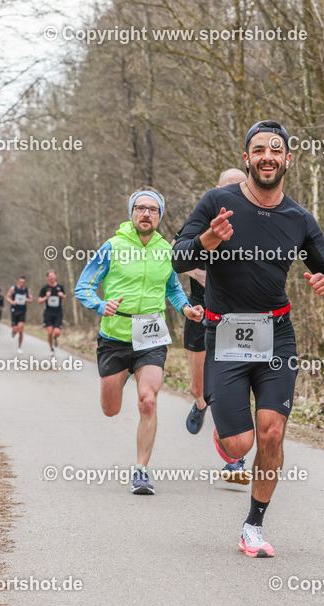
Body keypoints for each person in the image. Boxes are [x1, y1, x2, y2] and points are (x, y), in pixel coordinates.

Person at [173, 121, 324, 557]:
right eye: (259, 149)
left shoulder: (298, 218)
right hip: (225, 331)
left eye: (276, 149)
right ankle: (223, 427)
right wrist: (208, 239)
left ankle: (253, 526)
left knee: (271, 433)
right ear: (247, 159)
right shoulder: (218, 202)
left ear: (288, 160)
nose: (268, 155)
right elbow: (178, 256)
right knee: (239, 444)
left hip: (276, 334)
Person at [76, 187, 204, 495]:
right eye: (140, 208)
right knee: (110, 408)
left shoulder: (166, 251)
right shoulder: (112, 246)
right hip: (115, 336)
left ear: (159, 216)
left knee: (148, 400)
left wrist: (186, 307)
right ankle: (115, 385)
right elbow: (83, 287)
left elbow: (172, 288)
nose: (146, 214)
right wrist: (99, 305)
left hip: (151, 335)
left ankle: (141, 471)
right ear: (132, 213)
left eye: (153, 210)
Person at [184, 168, 248, 437]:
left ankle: (234, 457)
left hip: (236, 318)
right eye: (227, 188)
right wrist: (197, 273)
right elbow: (173, 252)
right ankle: (200, 403)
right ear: (217, 190)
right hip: (200, 311)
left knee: (231, 392)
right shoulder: (203, 217)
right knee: (199, 387)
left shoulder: (253, 222)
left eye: (239, 187)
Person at [38, 270, 66, 354]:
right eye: (50, 276)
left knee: (57, 332)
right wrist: (46, 297)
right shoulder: (45, 288)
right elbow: (39, 301)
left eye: (53, 275)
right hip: (48, 313)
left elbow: (64, 296)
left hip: (58, 313)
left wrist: (62, 295)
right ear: (47, 277)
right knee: (49, 332)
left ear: (55, 276)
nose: (52, 277)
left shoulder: (60, 287)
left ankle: (55, 338)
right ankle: (51, 348)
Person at [6, 276, 29, 354]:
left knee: (21, 330)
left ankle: (19, 347)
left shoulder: (27, 290)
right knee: (15, 330)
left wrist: (28, 300)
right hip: (14, 311)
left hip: (22, 311)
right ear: (18, 282)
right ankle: (13, 332)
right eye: (20, 282)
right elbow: (7, 297)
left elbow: (31, 298)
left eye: (23, 282)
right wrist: (11, 301)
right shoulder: (13, 289)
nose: (22, 284)